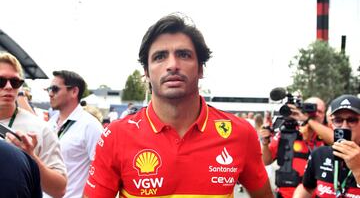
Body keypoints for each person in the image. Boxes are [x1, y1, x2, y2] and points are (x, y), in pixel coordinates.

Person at [83, 13, 273, 198]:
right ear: (146, 73)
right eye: (160, 56)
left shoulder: (240, 133)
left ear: (200, 69)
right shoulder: (115, 136)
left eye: (183, 55)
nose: (172, 64)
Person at [0, 52, 67, 197]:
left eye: (15, 82)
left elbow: (59, 189)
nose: (8, 87)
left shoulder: (40, 129)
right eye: (1, 81)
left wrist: (31, 157)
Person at [46, 70, 103, 198]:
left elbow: (102, 172)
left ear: (74, 92)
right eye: (49, 89)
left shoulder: (90, 126)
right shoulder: (50, 124)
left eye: (55, 89)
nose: (50, 94)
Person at [260, 97, 330, 198]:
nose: (315, 114)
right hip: (286, 194)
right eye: (310, 109)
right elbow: (266, 161)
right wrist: (265, 143)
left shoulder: (327, 135)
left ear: (325, 115)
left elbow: (335, 139)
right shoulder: (287, 132)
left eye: (320, 111)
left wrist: (308, 120)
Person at [293, 94, 360, 198]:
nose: (344, 126)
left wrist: (358, 169)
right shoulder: (319, 153)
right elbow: (306, 188)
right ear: (331, 124)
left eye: (352, 120)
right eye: (338, 120)